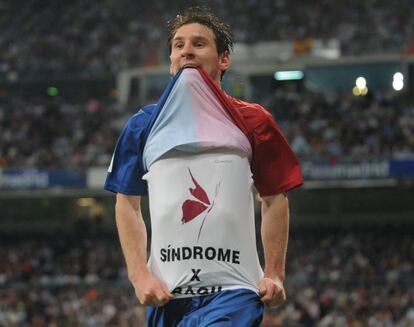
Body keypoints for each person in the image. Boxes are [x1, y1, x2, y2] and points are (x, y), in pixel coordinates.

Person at [105, 6, 303, 327]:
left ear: (223, 59)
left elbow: (274, 198)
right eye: (178, 45)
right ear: (171, 61)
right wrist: (139, 275)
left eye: (199, 44)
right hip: (168, 296)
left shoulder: (255, 120)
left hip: (234, 291)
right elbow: (126, 202)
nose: (186, 52)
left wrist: (275, 274)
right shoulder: (143, 125)